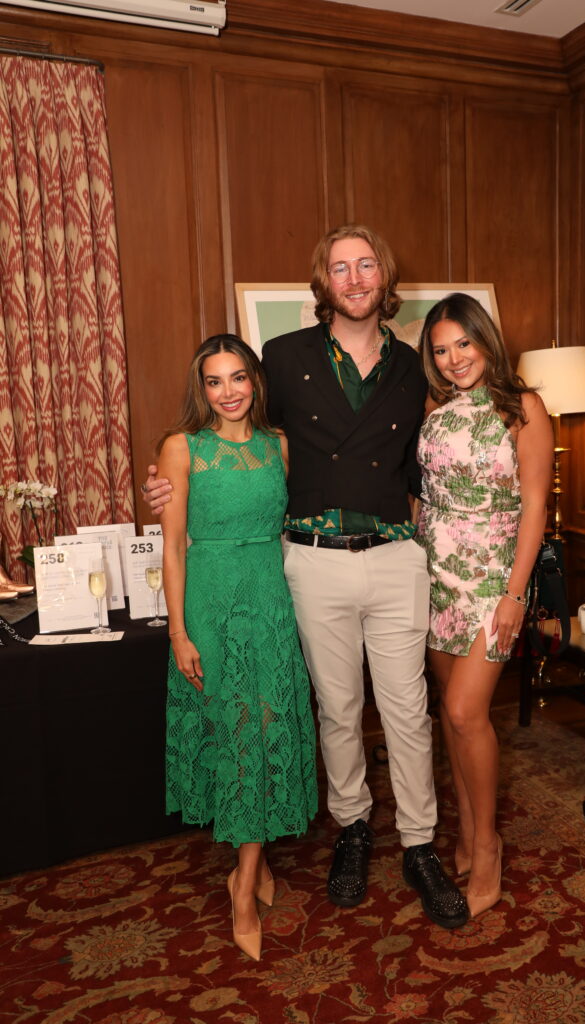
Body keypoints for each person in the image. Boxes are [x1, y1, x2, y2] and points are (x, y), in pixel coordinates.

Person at [144, 225, 469, 931]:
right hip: (312, 560)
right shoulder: (281, 359)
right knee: (336, 709)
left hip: (393, 556)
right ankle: (352, 829)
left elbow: (442, 454)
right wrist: (171, 486)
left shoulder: (416, 368)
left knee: (408, 710)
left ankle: (418, 844)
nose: (353, 279)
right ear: (322, 281)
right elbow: (236, 443)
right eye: (339, 268)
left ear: (384, 278)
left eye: (365, 267)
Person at [156, 334, 318, 962]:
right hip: (210, 602)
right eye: (215, 381)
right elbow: (172, 548)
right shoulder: (181, 449)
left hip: (270, 598)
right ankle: (247, 880)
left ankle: (246, 875)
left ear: (256, 380)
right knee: (233, 730)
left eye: (239, 378)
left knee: (267, 723)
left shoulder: (278, 446)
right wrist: (178, 632)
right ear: (202, 389)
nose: (229, 392)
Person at [416, 293, 553, 918]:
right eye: (441, 350)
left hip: (494, 579)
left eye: (463, 344)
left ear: (485, 340)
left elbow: (534, 507)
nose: (453, 360)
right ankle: (468, 833)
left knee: (468, 710)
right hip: (435, 575)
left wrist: (516, 594)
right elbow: (424, 495)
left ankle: (487, 846)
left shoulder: (523, 407)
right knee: (450, 714)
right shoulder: (433, 407)